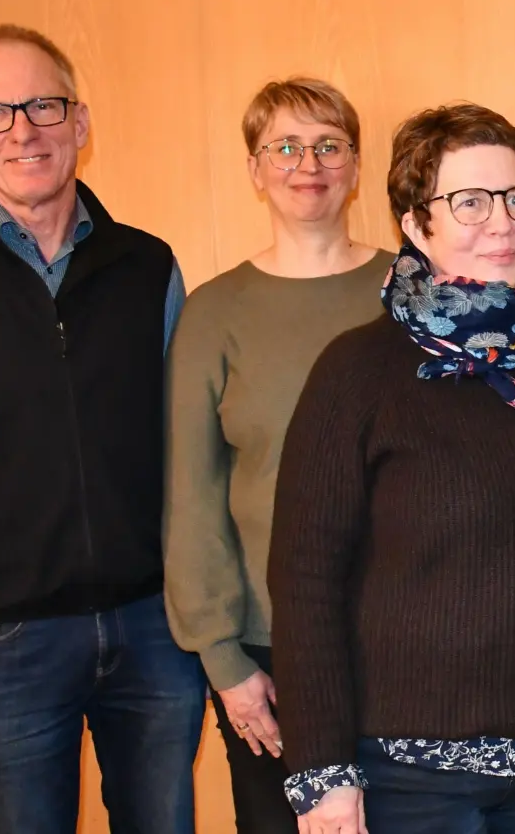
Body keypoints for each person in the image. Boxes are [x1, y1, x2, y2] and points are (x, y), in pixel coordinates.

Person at [268, 102, 515, 834]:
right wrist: (323, 774)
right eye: (469, 202)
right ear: (417, 225)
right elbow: (305, 579)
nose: (502, 223)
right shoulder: (356, 371)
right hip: (405, 779)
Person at [0, 25, 204, 833]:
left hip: (155, 627)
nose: (23, 130)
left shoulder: (149, 267)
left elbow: (192, 445)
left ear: (80, 121)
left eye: (44, 105)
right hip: (3, 638)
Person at [163, 77, 391, 832]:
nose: (308, 164)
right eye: (285, 147)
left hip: (410, 638)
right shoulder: (215, 312)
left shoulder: (413, 291)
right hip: (271, 650)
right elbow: (192, 497)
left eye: (329, 145)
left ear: (356, 165)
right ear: (255, 169)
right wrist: (223, 661)